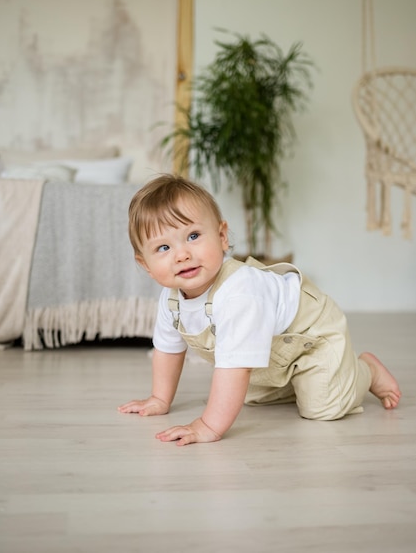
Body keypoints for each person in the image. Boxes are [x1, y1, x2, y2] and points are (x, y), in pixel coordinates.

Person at [118, 174, 401, 446]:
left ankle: (366, 371)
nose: (182, 254)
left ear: (222, 236)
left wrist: (208, 425)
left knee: (323, 407)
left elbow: (236, 368)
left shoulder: (239, 293)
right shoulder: (172, 300)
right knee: (249, 396)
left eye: (193, 236)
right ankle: (300, 380)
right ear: (146, 265)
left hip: (311, 336)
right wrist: (159, 398)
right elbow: (168, 349)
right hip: (275, 353)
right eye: (164, 247)